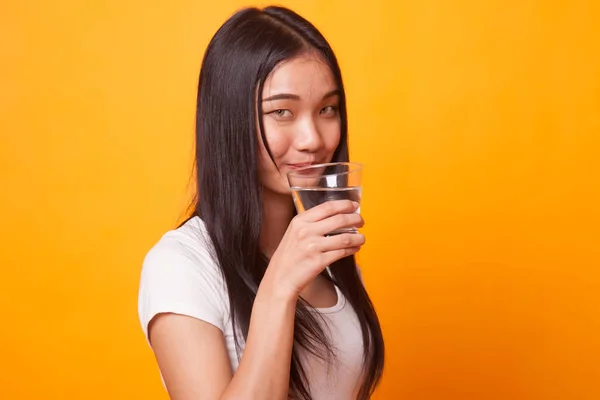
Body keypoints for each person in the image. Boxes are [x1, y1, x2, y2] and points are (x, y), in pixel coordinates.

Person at [138, 5, 385, 400]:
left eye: (327, 109)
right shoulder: (181, 265)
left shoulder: (323, 251)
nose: (313, 138)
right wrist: (279, 287)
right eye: (282, 112)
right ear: (229, 121)